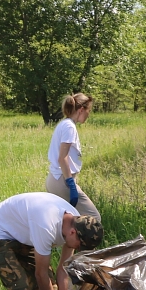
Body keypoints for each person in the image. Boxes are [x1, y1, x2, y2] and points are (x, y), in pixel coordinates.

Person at [0, 192, 104, 290]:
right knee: (21, 288)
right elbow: (40, 275)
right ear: (73, 232)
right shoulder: (47, 226)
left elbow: (63, 271)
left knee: (49, 288)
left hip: (23, 233)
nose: (77, 249)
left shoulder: (75, 223)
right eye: (79, 246)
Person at [45, 92, 101, 221]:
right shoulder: (69, 127)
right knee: (93, 219)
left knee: (67, 223)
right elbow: (62, 157)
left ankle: (65, 241)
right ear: (81, 109)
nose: (89, 114)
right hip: (62, 181)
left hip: (55, 178)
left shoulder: (65, 124)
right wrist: (70, 184)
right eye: (89, 110)